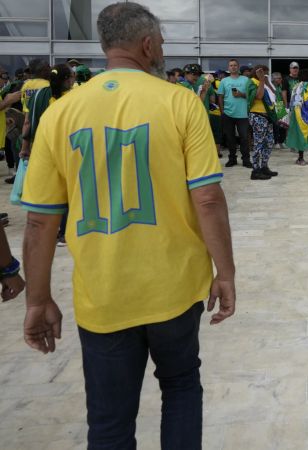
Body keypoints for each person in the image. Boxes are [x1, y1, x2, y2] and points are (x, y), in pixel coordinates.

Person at [20, 3, 236, 449]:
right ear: (148, 44)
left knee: (110, 422)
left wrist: (37, 299)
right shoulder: (180, 102)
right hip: (174, 290)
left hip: (104, 296)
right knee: (180, 388)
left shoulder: (61, 113)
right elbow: (209, 198)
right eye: (161, 41)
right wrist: (226, 273)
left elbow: (41, 221)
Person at [19, 63, 76, 246]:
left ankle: (51, 232)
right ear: (67, 79)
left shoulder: (37, 95)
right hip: (67, 149)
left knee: (48, 191)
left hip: (41, 149)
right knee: (67, 191)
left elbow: (28, 123)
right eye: (72, 76)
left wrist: (25, 147)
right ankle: (64, 233)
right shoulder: (74, 97)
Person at [217, 58, 252, 168]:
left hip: (243, 114)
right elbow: (220, 96)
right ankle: (232, 159)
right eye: (231, 65)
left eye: (235, 65)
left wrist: (241, 94)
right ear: (228, 68)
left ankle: (246, 159)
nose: (233, 67)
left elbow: (251, 96)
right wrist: (222, 111)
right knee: (230, 138)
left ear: (238, 67)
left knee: (244, 138)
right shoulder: (224, 81)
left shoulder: (246, 80)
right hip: (228, 114)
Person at [248, 64, 278, 180]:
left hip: (268, 116)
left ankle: (264, 166)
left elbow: (275, 95)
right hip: (257, 115)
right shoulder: (252, 82)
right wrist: (261, 81)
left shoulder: (263, 82)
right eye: (263, 72)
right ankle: (255, 170)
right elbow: (259, 96)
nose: (265, 75)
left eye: (266, 73)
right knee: (259, 143)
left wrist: (267, 82)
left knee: (269, 143)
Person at [286, 68, 308, 166]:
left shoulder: (296, 86)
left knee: (300, 135)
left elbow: (293, 102)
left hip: (299, 115)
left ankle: (301, 159)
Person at [271, 71, 287, 149]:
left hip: (280, 106)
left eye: (281, 78)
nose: (281, 79)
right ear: (274, 79)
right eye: (279, 78)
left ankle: (282, 141)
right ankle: (276, 142)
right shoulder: (271, 86)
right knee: (276, 126)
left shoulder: (280, 86)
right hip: (273, 106)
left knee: (283, 125)